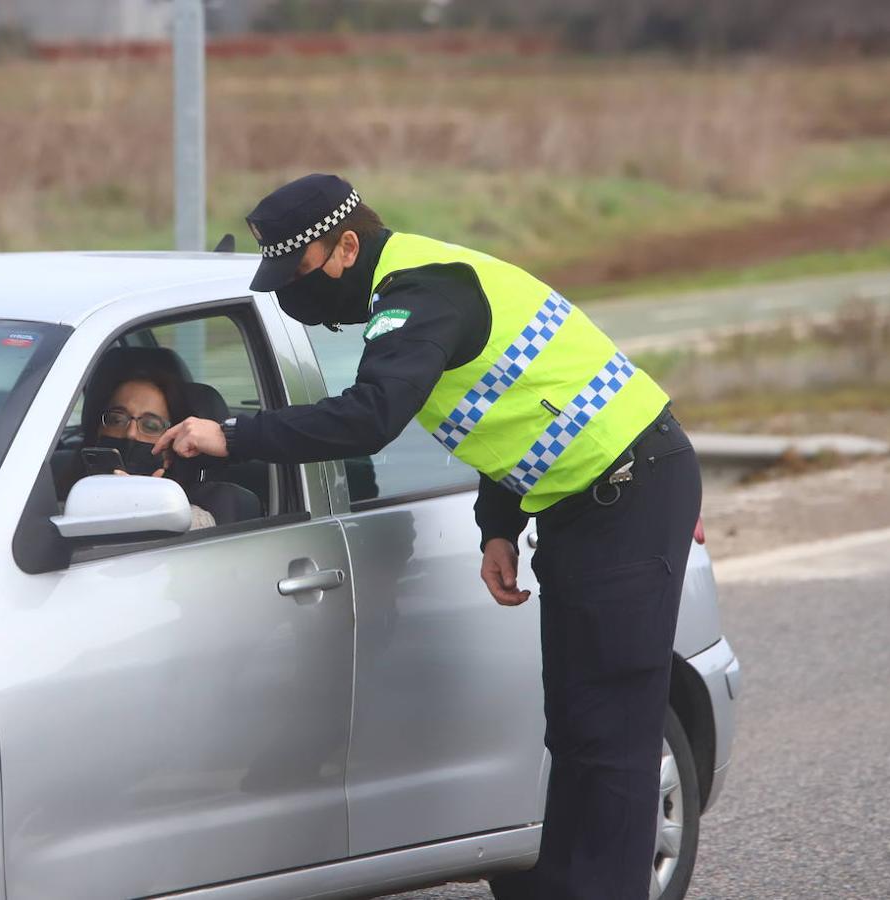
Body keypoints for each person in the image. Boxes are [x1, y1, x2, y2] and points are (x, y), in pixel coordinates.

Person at [153, 173, 702, 900]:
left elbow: (370, 416)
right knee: (574, 727)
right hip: (576, 500)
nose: (297, 291)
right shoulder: (411, 288)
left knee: (613, 736)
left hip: (632, 490)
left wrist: (232, 435)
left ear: (346, 245)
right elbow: (512, 402)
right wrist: (498, 527)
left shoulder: (423, 291)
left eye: (302, 270)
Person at [77, 361, 216, 530]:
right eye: (117, 419)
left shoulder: (191, 521)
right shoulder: (50, 501)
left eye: (150, 425)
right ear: (98, 430)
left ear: (170, 453)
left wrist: (145, 510)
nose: (131, 433)